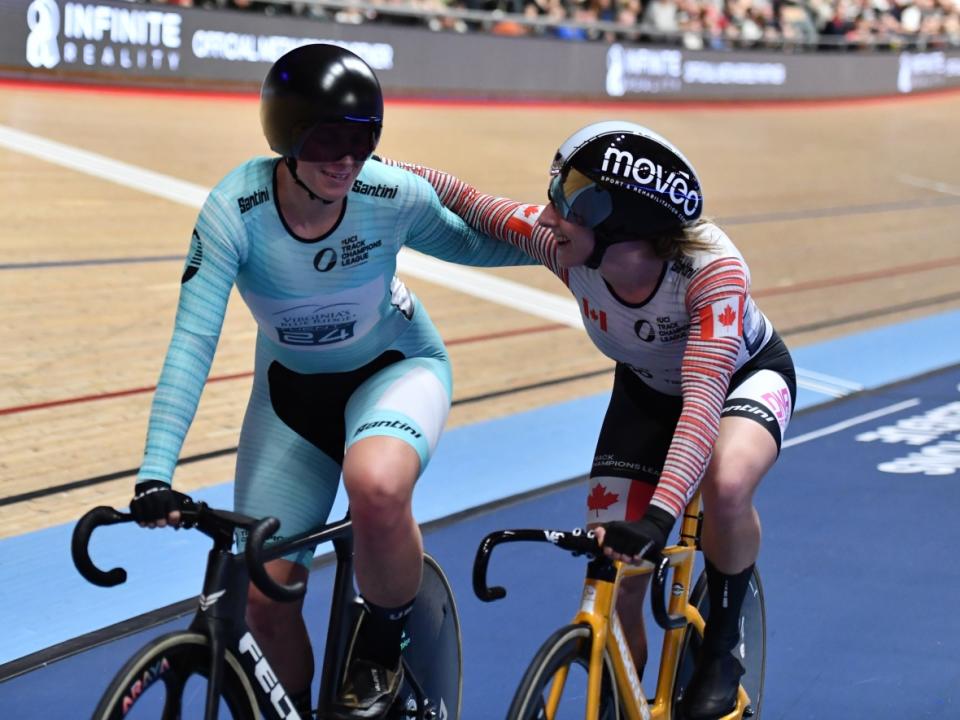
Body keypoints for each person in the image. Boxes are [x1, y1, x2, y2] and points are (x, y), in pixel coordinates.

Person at [127, 43, 533, 719]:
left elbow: (472, 241)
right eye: (327, 142)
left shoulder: (389, 193)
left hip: (395, 370)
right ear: (285, 140)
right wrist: (155, 472)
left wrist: (566, 250)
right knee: (261, 596)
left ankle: (382, 639)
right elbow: (192, 341)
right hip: (293, 402)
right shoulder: (235, 209)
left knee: (374, 485)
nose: (346, 160)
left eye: (362, 139)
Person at [387, 121, 796, 719]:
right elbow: (471, 202)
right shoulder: (566, 248)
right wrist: (372, 169)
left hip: (741, 381)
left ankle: (723, 646)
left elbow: (703, 399)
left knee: (727, 483)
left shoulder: (713, 274)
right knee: (616, 577)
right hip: (646, 390)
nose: (548, 217)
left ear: (622, 230)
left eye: (567, 206)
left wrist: (659, 518)